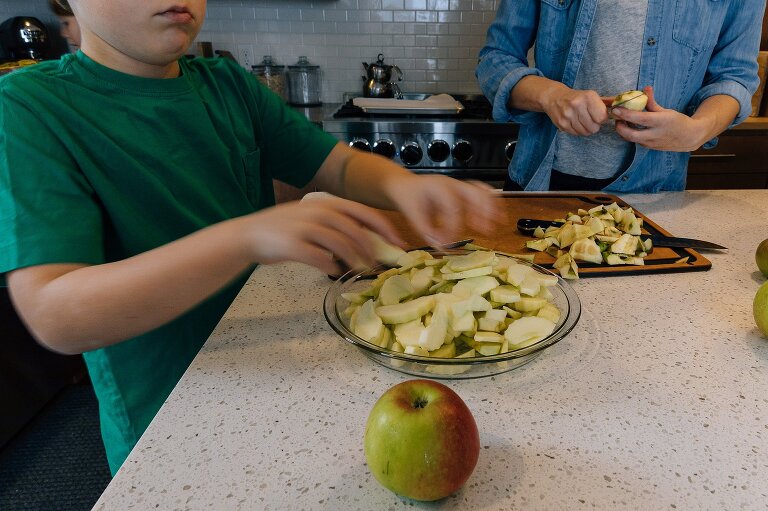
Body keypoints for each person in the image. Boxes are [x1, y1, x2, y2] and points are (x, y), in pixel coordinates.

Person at [0, 0, 500, 475]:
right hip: (170, 417)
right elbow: (55, 313)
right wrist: (249, 237)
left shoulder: (227, 85)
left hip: (278, 367)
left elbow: (335, 163)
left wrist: (406, 187)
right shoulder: (30, 109)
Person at [476, 0, 765, 192]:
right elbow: (495, 58)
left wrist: (697, 130)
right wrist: (551, 96)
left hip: (654, 192)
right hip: (542, 182)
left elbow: (734, 76)